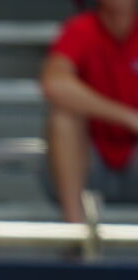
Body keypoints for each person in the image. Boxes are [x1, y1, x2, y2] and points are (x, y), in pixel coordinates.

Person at [41, 0, 138, 223]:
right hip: (89, 162)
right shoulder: (81, 28)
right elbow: (54, 84)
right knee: (63, 117)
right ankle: (75, 233)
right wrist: (128, 117)